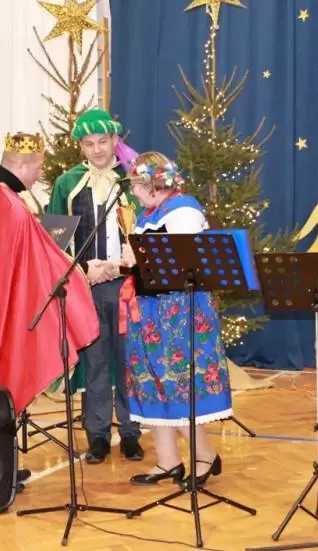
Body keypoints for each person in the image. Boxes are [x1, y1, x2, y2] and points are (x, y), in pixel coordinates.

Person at [0, 132, 100, 488]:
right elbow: (36, 261)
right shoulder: (7, 204)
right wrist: (82, 272)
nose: (39, 175)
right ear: (22, 164)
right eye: (38, 168)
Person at [122, 151, 232, 488]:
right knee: (152, 382)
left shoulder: (183, 209)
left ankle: (205, 455)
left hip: (179, 311)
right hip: (148, 309)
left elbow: (184, 262)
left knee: (180, 385)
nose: (133, 192)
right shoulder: (148, 214)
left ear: (153, 183)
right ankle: (168, 460)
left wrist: (136, 258)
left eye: (136, 185)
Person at [47, 108, 144, 464]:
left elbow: (149, 226)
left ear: (115, 140)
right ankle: (98, 434)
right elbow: (54, 242)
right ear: (81, 147)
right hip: (86, 287)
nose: (97, 150)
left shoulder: (133, 179)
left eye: (103, 141)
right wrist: (83, 269)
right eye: (89, 144)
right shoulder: (67, 184)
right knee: (96, 361)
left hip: (128, 286)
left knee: (129, 360)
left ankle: (131, 432)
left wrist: (129, 260)